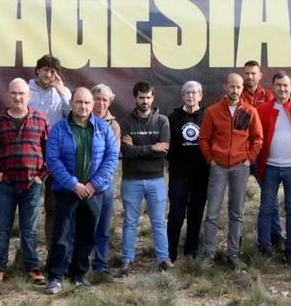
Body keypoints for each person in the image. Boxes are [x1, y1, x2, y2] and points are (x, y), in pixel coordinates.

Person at [43, 87, 119, 295]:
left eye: (87, 102)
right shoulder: (59, 129)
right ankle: (55, 277)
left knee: (87, 235)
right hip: (68, 192)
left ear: (92, 104)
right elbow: (53, 160)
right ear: (71, 103)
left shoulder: (103, 128)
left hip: (94, 192)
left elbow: (111, 158)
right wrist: (73, 184)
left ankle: (78, 275)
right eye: (79, 102)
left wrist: (93, 185)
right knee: (61, 235)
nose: (83, 106)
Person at [0, 78, 50, 284]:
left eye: (22, 93)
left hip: (31, 185)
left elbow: (50, 152)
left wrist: (41, 176)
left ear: (29, 96)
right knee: (2, 228)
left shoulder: (40, 120)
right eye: (13, 93)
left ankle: (32, 268)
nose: (17, 97)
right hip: (6, 185)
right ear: (8, 95)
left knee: (29, 230)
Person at [198, 73, 264, 270]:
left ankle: (233, 255)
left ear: (242, 88)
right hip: (218, 167)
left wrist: (249, 159)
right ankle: (209, 254)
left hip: (239, 168)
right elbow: (203, 138)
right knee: (212, 213)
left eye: (238, 87)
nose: (235, 91)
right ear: (225, 87)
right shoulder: (212, 111)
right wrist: (211, 160)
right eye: (232, 87)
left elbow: (258, 138)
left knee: (236, 213)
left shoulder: (250, 111)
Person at [255, 71, 291, 266]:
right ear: (273, 87)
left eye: (285, 85)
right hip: (270, 167)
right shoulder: (263, 109)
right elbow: (257, 135)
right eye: (278, 85)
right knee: (266, 208)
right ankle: (263, 248)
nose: (282, 89)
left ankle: (290, 249)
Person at [118, 81, 172, 273]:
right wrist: (151, 147)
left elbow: (163, 150)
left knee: (158, 222)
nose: (145, 101)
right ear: (135, 98)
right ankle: (127, 260)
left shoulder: (162, 121)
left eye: (148, 97)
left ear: (153, 98)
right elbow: (126, 151)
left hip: (156, 178)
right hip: (131, 179)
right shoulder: (126, 122)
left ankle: (163, 260)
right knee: (130, 221)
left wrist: (137, 147)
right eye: (141, 97)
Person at [28, 55, 71, 250]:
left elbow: (75, 117)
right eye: (45, 69)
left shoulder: (62, 93)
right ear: (37, 70)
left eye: (53, 71)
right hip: (31, 154)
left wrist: (62, 93)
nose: (49, 74)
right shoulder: (26, 90)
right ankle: (27, 255)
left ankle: (53, 252)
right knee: (30, 207)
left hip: (56, 156)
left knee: (53, 207)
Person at [167, 81, 209, 262]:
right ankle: (170, 252)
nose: (191, 96)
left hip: (201, 173)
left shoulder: (208, 116)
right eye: (187, 93)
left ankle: (191, 251)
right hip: (179, 173)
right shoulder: (173, 117)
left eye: (194, 93)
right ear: (183, 96)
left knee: (196, 212)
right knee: (176, 212)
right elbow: (168, 145)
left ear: (200, 96)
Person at [241, 60, 280, 246]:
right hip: (240, 155)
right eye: (246, 73)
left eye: (253, 73)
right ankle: (237, 239)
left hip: (263, 154)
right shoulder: (236, 95)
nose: (250, 77)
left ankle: (276, 236)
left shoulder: (269, 96)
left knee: (270, 197)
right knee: (237, 200)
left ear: (260, 76)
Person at [89, 84, 121, 278]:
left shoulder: (113, 125)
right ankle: (79, 262)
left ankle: (100, 264)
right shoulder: (79, 120)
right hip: (81, 185)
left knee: (103, 227)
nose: (101, 103)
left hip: (104, 185)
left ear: (110, 102)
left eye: (105, 100)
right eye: (98, 99)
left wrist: (96, 183)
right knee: (82, 226)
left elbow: (112, 156)